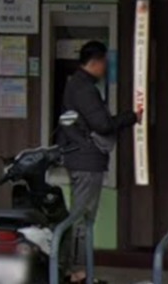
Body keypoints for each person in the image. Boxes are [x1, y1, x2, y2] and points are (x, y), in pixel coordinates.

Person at [59, 40, 140, 284]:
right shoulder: (84, 88)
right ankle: (77, 272)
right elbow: (102, 124)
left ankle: (75, 270)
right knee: (82, 218)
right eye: (105, 62)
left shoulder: (76, 84)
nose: (106, 67)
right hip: (86, 160)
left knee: (80, 215)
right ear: (95, 62)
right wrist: (132, 117)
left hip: (79, 157)